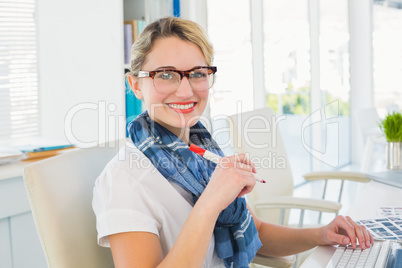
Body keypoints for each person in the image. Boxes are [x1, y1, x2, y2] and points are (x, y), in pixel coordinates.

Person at [92, 16, 373, 268]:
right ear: (135, 85)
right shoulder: (124, 180)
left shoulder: (203, 153)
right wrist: (212, 199)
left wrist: (321, 234)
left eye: (198, 73)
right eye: (165, 75)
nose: (186, 89)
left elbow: (257, 231)